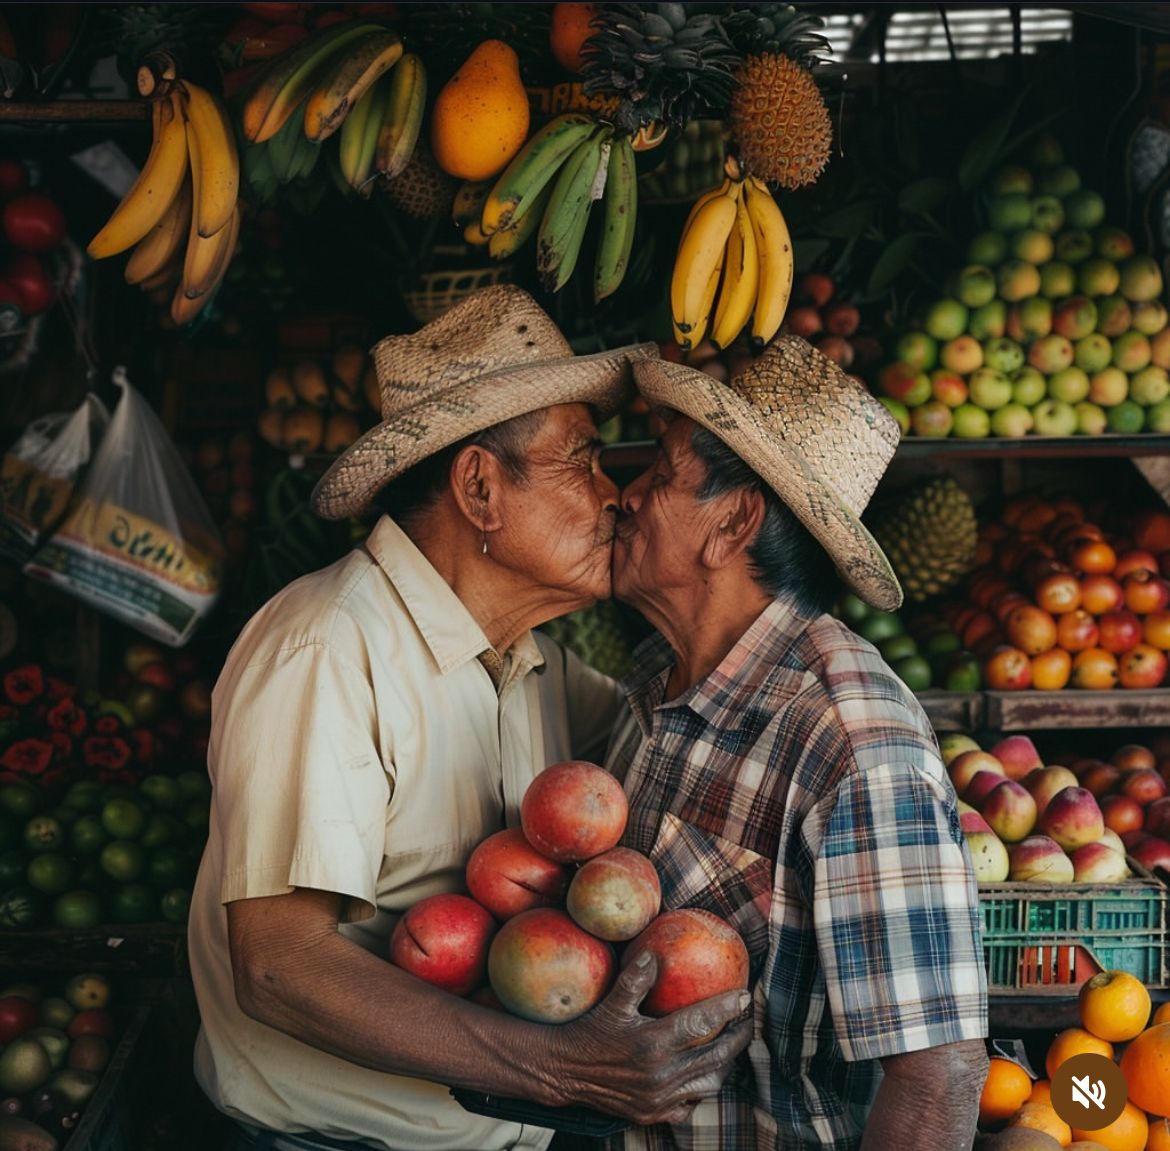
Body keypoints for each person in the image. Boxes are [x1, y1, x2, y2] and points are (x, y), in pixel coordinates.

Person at [187, 285, 753, 1151]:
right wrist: (564, 1067)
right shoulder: (328, 648)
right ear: (481, 487)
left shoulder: (537, 668)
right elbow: (279, 966)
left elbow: (690, 727)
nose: (617, 495)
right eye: (582, 460)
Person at [604, 335, 989, 1151]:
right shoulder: (653, 680)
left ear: (733, 522)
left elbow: (939, 1076)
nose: (624, 496)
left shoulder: (855, 741)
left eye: (660, 474)